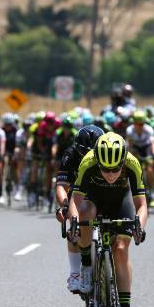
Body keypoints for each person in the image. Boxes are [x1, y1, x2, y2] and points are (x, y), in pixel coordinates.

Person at [68, 132, 148, 307]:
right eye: (105, 169)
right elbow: (75, 201)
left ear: (123, 161)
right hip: (94, 199)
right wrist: (74, 220)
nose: (110, 174)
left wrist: (139, 224)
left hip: (121, 202)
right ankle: (87, 265)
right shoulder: (88, 162)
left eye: (115, 170)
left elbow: (142, 205)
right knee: (85, 215)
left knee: (121, 250)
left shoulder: (132, 163)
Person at [55, 125, 105, 293]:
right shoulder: (70, 154)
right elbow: (61, 186)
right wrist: (64, 205)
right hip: (78, 195)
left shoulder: (105, 154)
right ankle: (76, 273)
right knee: (75, 230)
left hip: (100, 192)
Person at [126, 110, 154, 208]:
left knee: (150, 169)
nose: (140, 126)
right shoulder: (129, 130)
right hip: (136, 149)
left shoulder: (149, 129)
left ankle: (152, 192)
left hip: (146, 148)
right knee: (133, 168)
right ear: (134, 123)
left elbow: (153, 144)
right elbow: (130, 146)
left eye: (142, 124)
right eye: (137, 124)